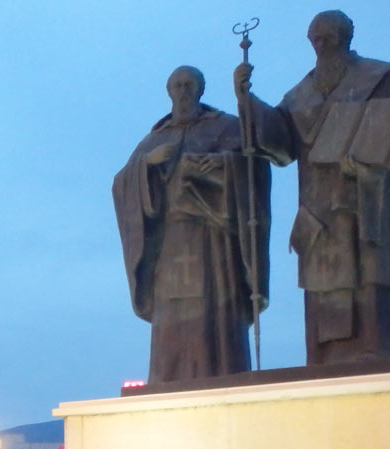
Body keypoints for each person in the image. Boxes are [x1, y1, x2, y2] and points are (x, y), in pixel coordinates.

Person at [234, 10, 390, 364]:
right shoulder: (300, 94)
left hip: (369, 198)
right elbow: (281, 143)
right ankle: (324, 355)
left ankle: (374, 348)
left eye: (328, 37)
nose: (321, 45)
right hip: (317, 206)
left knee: (369, 273)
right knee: (324, 280)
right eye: (316, 39)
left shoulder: (379, 77)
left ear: (345, 38)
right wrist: (248, 101)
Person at [113, 65, 271, 382]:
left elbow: (254, 167)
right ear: (169, 92)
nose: (183, 91)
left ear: (200, 89)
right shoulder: (153, 140)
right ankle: (169, 380)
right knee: (172, 322)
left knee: (217, 321)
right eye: (177, 86)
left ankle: (224, 377)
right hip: (169, 246)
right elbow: (121, 185)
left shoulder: (227, 127)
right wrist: (147, 165)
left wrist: (223, 166)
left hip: (214, 241)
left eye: (189, 85)